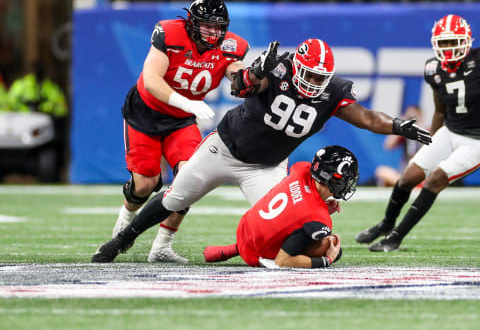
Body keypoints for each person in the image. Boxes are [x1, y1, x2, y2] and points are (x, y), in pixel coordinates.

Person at [91, 38, 431, 263]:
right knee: (174, 198)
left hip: (265, 167)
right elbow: (240, 86)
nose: (314, 84)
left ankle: (264, 256)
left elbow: (368, 117)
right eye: (310, 75)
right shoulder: (279, 68)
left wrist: (398, 125)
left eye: (321, 78)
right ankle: (122, 240)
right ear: (297, 65)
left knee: (287, 223)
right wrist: (255, 72)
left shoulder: (332, 92)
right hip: (224, 148)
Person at [356, 14, 480, 252]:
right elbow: (439, 111)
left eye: (453, 42)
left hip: (479, 140)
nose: (448, 48)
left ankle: (395, 238)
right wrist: (429, 140)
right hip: (450, 131)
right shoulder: (434, 69)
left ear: (466, 41)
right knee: (407, 178)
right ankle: (386, 224)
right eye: (444, 42)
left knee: (435, 179)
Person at [110, 0, 249, 264]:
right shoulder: (170, 33)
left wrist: (248, 78)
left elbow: (236, 72)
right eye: (207, 26)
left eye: (219, 26)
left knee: (189, 178)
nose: (213, 32)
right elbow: (151, 80)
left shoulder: (232, 46)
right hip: (145, 113)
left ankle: (162, 246)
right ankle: (124, 221)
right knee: (145, 184)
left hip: (182, 120)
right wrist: (188, 102)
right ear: (192, 23)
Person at [203, 145, 359, 269]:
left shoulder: (301, 170)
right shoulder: (318, 218)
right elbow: (282, 261)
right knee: (328, 244)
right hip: (256, 252)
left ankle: (232, 249)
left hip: (246, 227)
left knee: (298, 224)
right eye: (345, 178)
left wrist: (320, 208)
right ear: (331, 178)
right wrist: (327, 259)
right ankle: (249, 251)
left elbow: (297, 206)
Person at [374, 105, 425, 187]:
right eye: (409, 117)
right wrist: (401, 126)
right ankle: (406, 186)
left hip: (421, 174)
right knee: (381, 171)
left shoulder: (427, 132)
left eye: (414, 117)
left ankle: (409, 186)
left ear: (421, 116)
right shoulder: (405, 135)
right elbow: (388, 145)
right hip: (404, 173)